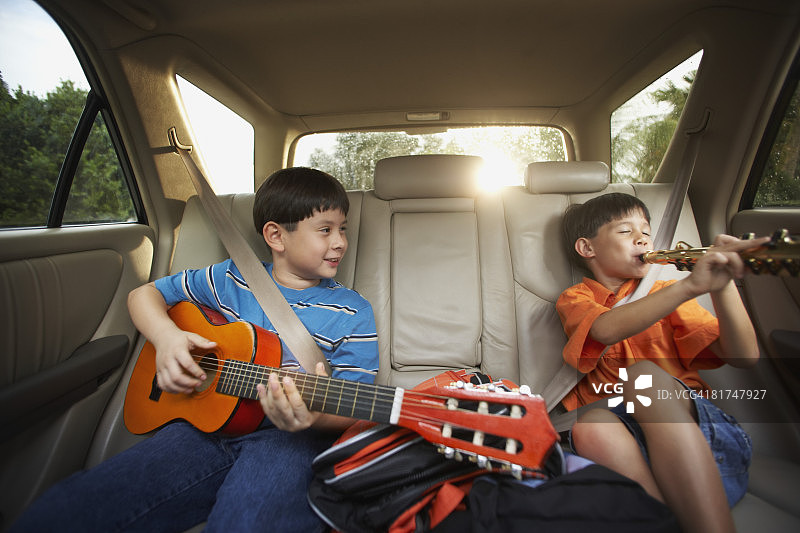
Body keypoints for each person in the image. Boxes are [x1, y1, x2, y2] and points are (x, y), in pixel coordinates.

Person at [12, 167, 379, 533]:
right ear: (275, 236)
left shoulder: (353, 312)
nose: (340, 242)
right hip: (202, 429)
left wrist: (313, 418)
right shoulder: (231, 278)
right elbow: (144, 294)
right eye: (325, 230)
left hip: (288, 440)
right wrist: (167, 338)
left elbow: (356, 404)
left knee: (251, 523)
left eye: (343, 229)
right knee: (72, 507)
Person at [555, 192, 767, 533]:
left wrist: (722, 286)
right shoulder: (576, 299)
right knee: (590, 426)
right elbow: (605, 330)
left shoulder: (665, 291)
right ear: (587, 248)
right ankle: (666, 522)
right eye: (626, 231)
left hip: (705, 442)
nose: (642, 239)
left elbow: (745, 356)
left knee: (643, 379)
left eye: (646, 231)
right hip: (633, 454)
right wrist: (689, 287)